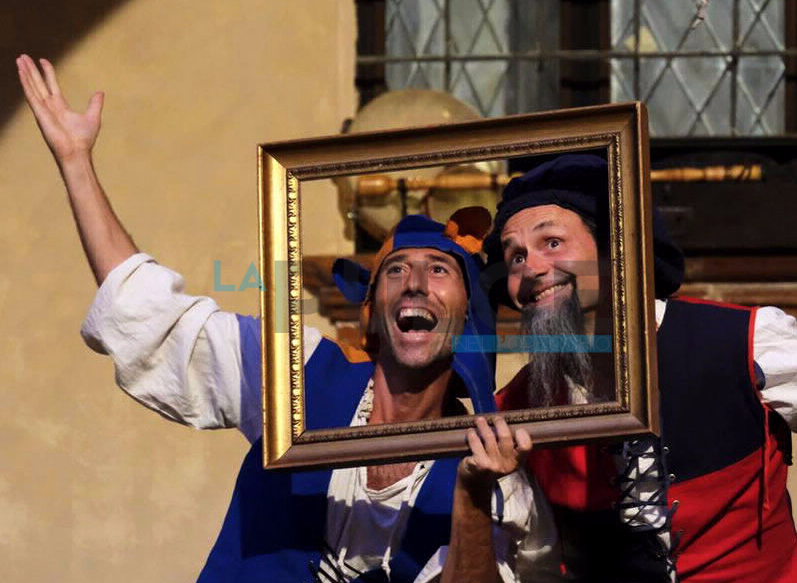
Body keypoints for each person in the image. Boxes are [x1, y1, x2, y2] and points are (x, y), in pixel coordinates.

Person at [16, 54, 562, 583]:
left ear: (467, 318)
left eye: (439, 270)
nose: (415, 282)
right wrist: (75, 162)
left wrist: (471, 495)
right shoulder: (296, 372)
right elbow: (151, 313)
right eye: (396, 270)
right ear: (374, 314)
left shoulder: (497, 470)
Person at [482, 153, 797, 582]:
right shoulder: (517, 408)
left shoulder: (746, 342)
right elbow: (538, 568)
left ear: (613, 249)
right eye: (515, 257)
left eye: (552, 243)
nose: (532, 268)